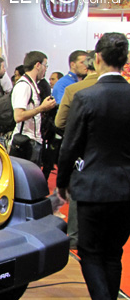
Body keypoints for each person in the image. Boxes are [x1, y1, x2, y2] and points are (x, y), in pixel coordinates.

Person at [56, 32, 130, 300]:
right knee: (114, 254)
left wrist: (61, 183)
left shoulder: (86, 96)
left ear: (96, 59)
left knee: (89, 252)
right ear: (124, 60)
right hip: (126, 188)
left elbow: (70, 146)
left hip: (93, 187)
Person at [54, 51, 98, 255]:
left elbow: (60, 122)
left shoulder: (75, 90)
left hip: (82, 155)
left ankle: (74, 238)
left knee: (78, 195)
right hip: (117, 164)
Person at [11, 51, 57, 166]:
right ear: (37, 65)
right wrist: (41, 108)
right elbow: (18, 116)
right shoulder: (24, 86)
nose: (46, 69)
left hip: (32, 141)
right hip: (25, 143)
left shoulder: (32, 85)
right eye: (45, 65)